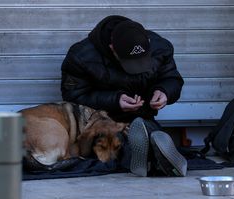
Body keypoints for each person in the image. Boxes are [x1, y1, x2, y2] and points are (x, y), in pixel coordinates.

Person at [60, 15, 187, 177]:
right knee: (116, 143)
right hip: (101, 121)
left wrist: (164, 92)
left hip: (141, 118)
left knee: (142, 130)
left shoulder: (160, 47)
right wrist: (115, 100)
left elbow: (172, 79)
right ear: (112, 48)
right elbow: (73, 97)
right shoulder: (81, 56)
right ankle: (156, 159)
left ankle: (150, 153)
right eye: (129, 62)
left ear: (148, 43)